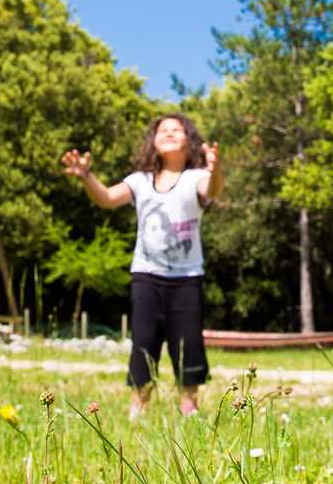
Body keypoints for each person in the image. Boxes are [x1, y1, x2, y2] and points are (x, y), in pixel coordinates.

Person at [61, 114, 225, 419]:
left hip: (187, 279)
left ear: (189, 141)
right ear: (153, 140)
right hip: (147, 277)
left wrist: (216, 170)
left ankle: (189, 411)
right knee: (144, 344)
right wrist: (86, 177)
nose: (169, 133)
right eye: (163, 130)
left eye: (177, 130)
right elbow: (108, 198)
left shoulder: (195, 178)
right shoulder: (140, 181)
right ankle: (138, 411)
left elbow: (212, 190)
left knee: (188, 346)